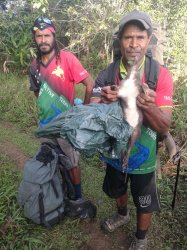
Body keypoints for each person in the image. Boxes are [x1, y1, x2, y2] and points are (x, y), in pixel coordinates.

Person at [91, 9, 173, 250]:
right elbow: (91, 107)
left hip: (145, 155)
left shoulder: (160, 75)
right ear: (120, 41)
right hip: (116, 152)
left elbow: (164, 125)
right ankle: (122, 214)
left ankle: (141, 238)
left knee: (144, 201)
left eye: (139, 37)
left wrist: (149, 107)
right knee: (118, 186)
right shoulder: (108, 73)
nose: (134, 44)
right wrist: (104, 102)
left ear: (148, 40)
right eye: (128, 37)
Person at [29, 17, 95, 218]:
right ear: (35, 38)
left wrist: (83, 110)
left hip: (67, 123)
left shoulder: (67, 59)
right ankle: (59, 192)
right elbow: (37, 94)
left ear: (53, 36)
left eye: (46, 35)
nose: (43, 40)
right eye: (39, 36)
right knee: (51, 158)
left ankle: (77, 198)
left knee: (72, 162)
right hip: (46, 123)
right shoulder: (34, 66)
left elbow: (90, 84)